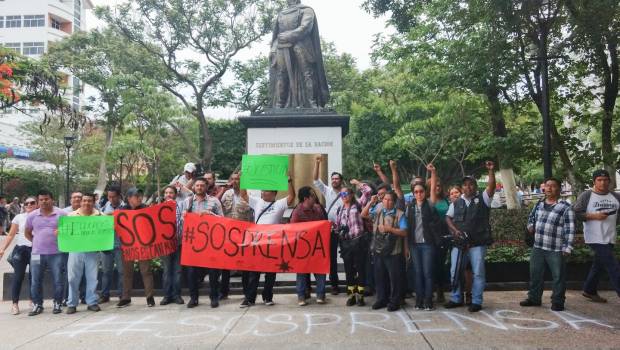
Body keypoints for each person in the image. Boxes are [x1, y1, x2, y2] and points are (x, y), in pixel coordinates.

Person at [444, 161, 496, 313]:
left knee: (478, 272)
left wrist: (491, 171)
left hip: (477, 244)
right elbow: (448, 217)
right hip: (459, 244)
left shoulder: (484, 199)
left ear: (475, 186)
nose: (468, 187)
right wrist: (454, 230)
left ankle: (476, 301)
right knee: (454, 271)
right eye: (465, 185)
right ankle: (455, 298)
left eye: (471, 184)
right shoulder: (456, 202)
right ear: (461, 188)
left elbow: (491, 187)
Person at [240, 174, 296, 307]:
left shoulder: (279, 204)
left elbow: (292, 196)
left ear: (274, 193)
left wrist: (289, 181)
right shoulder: (257, 202)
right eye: (262, 190)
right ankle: (250, 298)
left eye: (266, 190)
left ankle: (267, 297)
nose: (263, 192)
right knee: (254, 273)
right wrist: (243, 179)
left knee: (270, 273)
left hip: (272, 244)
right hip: (257, 243)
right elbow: (243, 195)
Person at [520, 178, 575, 311]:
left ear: (559, 189)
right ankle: (534, 298)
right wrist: (531, 226)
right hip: (538, 246)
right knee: (535, 274)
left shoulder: (565, 207)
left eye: (553, 186)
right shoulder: (539, 204)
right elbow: (531, 218)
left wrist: (567, 247)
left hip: (555, 248)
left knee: (558, 277)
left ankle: (558, 301)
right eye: (547, 186)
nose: (549, 188)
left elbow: (570, 229)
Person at [269, 0, 329, 108]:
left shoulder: (307, 10)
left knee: (308, 74)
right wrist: (273, 49)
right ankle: (279, 105)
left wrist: (289, 35)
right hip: (282, 48)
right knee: (281, 75)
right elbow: (277, 35)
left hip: (302, 46)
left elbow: (305, 28)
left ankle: (312, 103)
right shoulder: (281, 14)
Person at [574, 169, 620, 302]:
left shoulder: (616, 196)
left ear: (609, 182)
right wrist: (593, 216)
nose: (603, 182)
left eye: (605, 180)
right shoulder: (586, 195)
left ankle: (589, 290)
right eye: (599, 180)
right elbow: (576, 213)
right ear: (594, 182)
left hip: (610, 236)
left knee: (599, 265)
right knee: (613, 266)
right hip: (594, 237)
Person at [362, 191, 408, 312]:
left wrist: (390, 229)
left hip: (394, 252)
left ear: (394, 202)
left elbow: (404, 232)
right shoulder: (377, 212)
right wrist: (371, 202)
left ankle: (395, 301)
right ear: (382, 201)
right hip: (378, 250)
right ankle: (382, 299)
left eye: (390, 200)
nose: (387, 202)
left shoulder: (400, 214)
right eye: (385, 200)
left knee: (394, 278)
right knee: (379, 277)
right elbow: (363, 214)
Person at [25, 190, 67, 316]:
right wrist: (36, 241)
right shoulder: (32, 215)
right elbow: (27, 232)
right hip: (37, 253)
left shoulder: (62, 214)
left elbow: (69, 232)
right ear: (38, 201)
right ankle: (38, 304)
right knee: (35, 280)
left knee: (58, 280)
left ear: (52, 199)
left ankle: (57, 303)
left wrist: (62, 233)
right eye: (41, 199)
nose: (44, 201)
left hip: (57, 253)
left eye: (46, 199)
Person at [184, 177, 224, 308]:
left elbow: (222, 220)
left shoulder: (214, 201)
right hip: (193, 243)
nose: (199, 187)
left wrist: (211, 215)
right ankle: (193, 298)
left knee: (213, 272)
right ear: (193, 187)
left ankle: (214, 297)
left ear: (206, 187)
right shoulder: (188, 202)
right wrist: (184, 216)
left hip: (210, 243)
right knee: (192, 273)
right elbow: (181, 221)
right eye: (197, 185)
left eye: (202, 185)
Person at [116, 188, 155, 308]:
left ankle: (150, 297)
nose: (139, 198)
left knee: (146, 271)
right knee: (127, 272)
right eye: (136, 196)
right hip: (127, 246)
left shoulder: (146, 208)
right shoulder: (121, 211)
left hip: (143, 245)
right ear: (129, 198)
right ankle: (126, 297)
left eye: (140, 196)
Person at [66, 193, 103, 314]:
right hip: (76, 250)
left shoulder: (99, 215)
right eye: (84, 201)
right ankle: (72, 303)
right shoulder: (71, 216)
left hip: (93, 251)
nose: (87, 203)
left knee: (92, 278)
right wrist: (60, 233)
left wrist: (109, 229)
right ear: (81, 202)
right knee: (72, 278)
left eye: (89, 201)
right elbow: (66, 232)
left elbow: (105, 231)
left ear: (93, 202)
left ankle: (91, 302)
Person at [407, 183, 441, 310]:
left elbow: (437, 226)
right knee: (417, 272)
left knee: (428, 273)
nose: (418, 194)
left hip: (428, 244)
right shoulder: (410, 207)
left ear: (425, 192)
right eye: (416, 192)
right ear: (413, 193)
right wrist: (407, 246)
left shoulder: (431, 206)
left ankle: (428, 300)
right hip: (414, 244)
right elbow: (407, 227)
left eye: (421, 191)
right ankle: (419, 299)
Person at [0, 196, 37, 315]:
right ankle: (15, 304)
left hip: (35, 250)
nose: (29, 205)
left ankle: (32, 301)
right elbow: (10, 235)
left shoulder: (40, 217)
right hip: (21, 249)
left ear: (37, 204)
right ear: (23, 205)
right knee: (18, 277)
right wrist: (2, 249)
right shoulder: (19, 217)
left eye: (32, 203)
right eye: (27, 203)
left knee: (34, 277)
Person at [291, 186, 327, 306]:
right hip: (303, 248)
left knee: (320, 270)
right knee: (301, 272)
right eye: (312, 196)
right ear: (306, 198)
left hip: (317, 246)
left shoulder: (318, 209)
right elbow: (293, 230)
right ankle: (301, 296)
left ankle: (320, 295)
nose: (315, 197)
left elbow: (323, 224)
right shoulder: (297, 212)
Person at [220, 171, 254, 300]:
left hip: (244, 234)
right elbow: (220, 211)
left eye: (238, 179)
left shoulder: (249, 195)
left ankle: (246, 292)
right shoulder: (226, 195)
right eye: (233, 179)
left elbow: (253, 214)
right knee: (226, 265)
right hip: (228, 234)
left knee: (244, 265)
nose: (235, 181)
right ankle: (224, 291)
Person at [313, 155, 343, 295]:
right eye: (333, 179)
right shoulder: (328, 191)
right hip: (331, 230)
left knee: (349, 258)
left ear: (341, 181)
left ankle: (353, 285)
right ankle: (334, 285)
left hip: (345, 230)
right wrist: (317, 163)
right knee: (332, 258)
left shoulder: (346, 193)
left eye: (337, 179)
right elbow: (315, 180)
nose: (334, 181)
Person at [335, 186, 368, 307]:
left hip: (358, 241)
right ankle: (351, 296)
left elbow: (368, 191)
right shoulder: (340, 209)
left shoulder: (358, 204)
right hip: (346, 243)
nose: (344, 196)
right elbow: (338, 226)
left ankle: (361, 296)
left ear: (352, 194)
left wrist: (357, 183)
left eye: (346, 194)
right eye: (342, 194)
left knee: (360, 269)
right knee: (349, 271)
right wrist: (336, 229)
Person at [159, 186, 185, 305]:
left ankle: (177, 295)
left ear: (175, 194)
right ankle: (167, 296)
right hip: (165, 245)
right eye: (166, 192)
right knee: (167, 270)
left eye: (171, 192)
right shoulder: (158, 208)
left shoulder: (181, 206)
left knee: (178, 271)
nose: (168, 194)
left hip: (179, 243)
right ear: (164, 195)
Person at [100, 186, 125, 303]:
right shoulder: (104, 208)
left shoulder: (126, 207)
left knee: (122, 271)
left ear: (119, 196)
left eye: (113, 196)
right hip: (106, 244)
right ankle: (105, 295)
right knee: (106, 271)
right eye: (109, 196)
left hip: (121, 244)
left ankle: (122, 295)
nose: (111, 199)